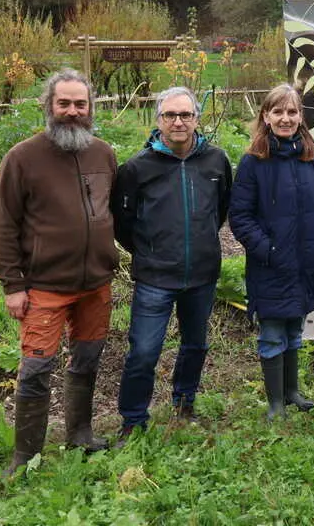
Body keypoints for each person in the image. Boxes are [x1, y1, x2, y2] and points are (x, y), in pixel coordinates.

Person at [0, 69, 118, 473]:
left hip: (95, 283)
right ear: (49, 106)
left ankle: (79, 434)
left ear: (90, 109)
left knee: (88, 358)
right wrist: (12, 284)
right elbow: (4, 224)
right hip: (44, 286)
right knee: (36, 369)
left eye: (80, 104)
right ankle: (26, 455)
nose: (72, 111)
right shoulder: (23, 158)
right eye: (63, 103)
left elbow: (111, 211)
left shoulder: (103, 153)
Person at [111, 87, 232, 436]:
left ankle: (184, 404)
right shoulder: (136, 168)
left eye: (185, 115)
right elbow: (123, 223)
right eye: (170, 115)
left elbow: (220, 209)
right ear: (158, 120)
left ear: (197, 118)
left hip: (202, 274)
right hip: (154, 277)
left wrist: (202, 244)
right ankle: (133, 421)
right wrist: (149, 251)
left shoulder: (216, 161)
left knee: (195, 344)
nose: (178, 122)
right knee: (144, 352)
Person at [229, 84, 314, 421]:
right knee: (272, 333)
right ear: (266, 116)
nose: (285, 118)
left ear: (301, 116)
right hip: (271, 265)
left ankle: (292, 391)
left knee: (295, 328)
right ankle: (276, 402)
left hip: (307, 262)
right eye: (278, 111)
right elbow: (240, 217)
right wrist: (268, 250)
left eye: (292, 112)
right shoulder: (253, 161)